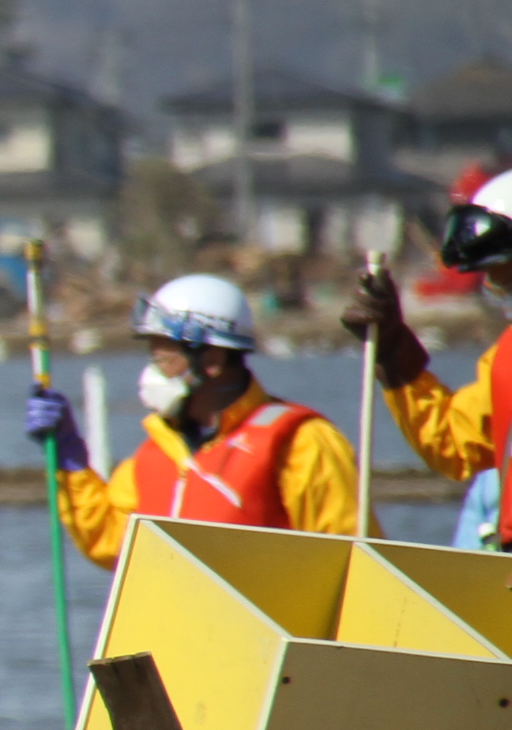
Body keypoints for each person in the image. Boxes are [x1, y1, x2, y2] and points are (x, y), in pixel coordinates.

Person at [25, 270, 364, 568]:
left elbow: (351, 564)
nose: (151, 373)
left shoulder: (301, 443)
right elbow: (111, 542)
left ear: (213, 360)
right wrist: (69, 461)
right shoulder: (157, 453)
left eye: (164, 359)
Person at [350, 176, 512, 532]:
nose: (494, 287)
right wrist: (393, 351)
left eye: (502, 273)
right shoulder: (507, 360)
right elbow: (454, 440)